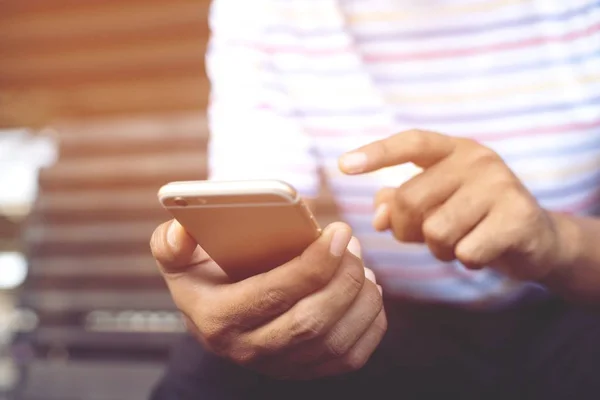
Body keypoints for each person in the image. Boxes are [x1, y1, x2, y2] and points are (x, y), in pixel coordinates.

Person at [150, 1, 600, 399]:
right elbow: (250, 201)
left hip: (574, 305)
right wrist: (226, 300)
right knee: (221, 363)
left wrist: (555, 241)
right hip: (391, 317)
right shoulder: (266, 9)